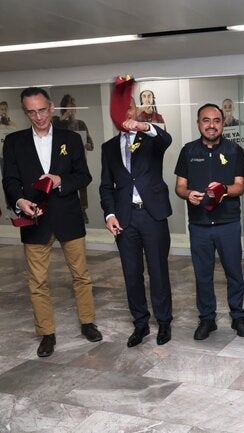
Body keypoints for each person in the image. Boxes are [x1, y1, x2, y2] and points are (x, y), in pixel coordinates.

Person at [2, 87, 102, 357]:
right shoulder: (14, 141)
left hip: (68, 217)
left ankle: (88, 322)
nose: (38, 117)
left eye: (42, 110)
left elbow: (84, 176)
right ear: (25, 113)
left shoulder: (71, 139)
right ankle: (46, 333)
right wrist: (20, 202)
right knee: (37, 282)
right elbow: (9, 179)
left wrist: (60, 181)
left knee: (81, 275)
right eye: (31, 112)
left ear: (52, 108)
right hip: (34, 219)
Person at [99, 98, 173, 347]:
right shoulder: (108, 147)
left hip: (152, 215)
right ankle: (140, 323)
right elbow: (106, 186)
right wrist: (110, 215)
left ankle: (164, 321)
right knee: (131, 273)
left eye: (128, 108)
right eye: (119, 110)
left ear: (135, 110)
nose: (125, 113)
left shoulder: (151, 140)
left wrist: (144, 126)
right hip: (124, 218)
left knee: (158, 271)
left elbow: (166, 139)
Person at [174, 103, 244, 339]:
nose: (211, 125)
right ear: (198, 123)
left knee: (234, 273)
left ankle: (238, 316)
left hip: (228, 223)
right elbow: (180, 187)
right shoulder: (188, 151)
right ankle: (207, 319)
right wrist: (188, 194)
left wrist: (223, 190)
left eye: (216, 121)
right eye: (206, 120)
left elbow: (240, 186)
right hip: (199, 225)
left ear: (223, 124)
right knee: (203, 275)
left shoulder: (234, 150)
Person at [52, 94, 94, 224]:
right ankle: (66, 211)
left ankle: (83, 209)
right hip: (62, 161)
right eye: (68, 106)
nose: (71, 108)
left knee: (82, 183)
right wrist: (64, 117)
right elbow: (52, 134)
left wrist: (87, 145)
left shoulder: (80, 124)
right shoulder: (56, 121)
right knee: (63, 183)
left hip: (78, 159)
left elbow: (91, 144)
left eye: (73, 106)